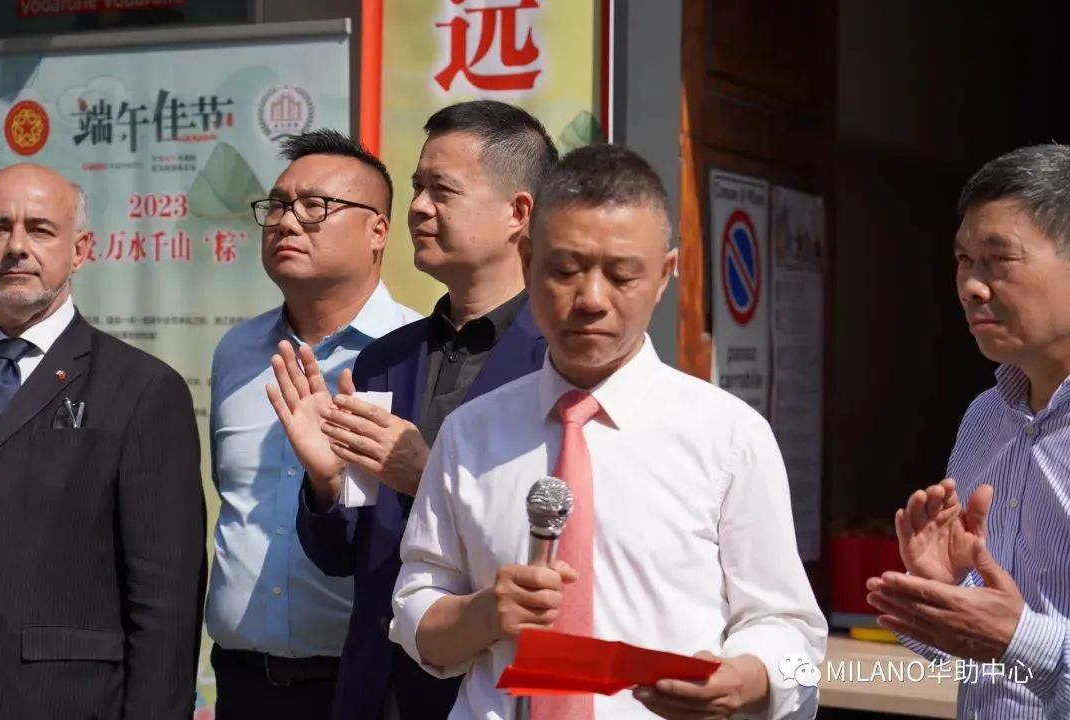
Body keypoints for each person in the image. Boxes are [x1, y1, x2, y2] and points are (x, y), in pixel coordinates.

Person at [389, 143, 827, 719]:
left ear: (664, 275)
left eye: (622, 275)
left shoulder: (729, 437)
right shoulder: (470, 433)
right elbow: (416, 611)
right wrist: (485, 613)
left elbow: (794, 634)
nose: (591, 300)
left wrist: (748, 680)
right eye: (565, 271)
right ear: (527, 261)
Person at [269, 100, 557, 719]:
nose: (419, 207)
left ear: (519, 212)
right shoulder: (385, 360)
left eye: (442, 190)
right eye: (417, 187)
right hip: (377, 691)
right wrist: (326, 484)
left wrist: (427, 476)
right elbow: (346, 556)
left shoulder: (557, 366)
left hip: (490, 693)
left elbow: (565, 549)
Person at [205, 129, 420, 719]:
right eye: (276, 205)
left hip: (365, 685)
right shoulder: (238, 351)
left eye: (314, 206)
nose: (286, 222)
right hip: (241, 683)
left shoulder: (415, 353)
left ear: (378, 230)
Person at [0, 163, 206, 718]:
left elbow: (165, 600)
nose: (16, 247)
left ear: (81, 250)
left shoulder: (141, 389)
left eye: (40, 229)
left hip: (63, 700)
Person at [867, 144, 1070, 719]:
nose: (971, 287)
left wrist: (1021, 639)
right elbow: (983, 661)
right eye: (963, 260)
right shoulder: (986, 417)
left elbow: (1016, 643)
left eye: (999, 259)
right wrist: (944, 595)